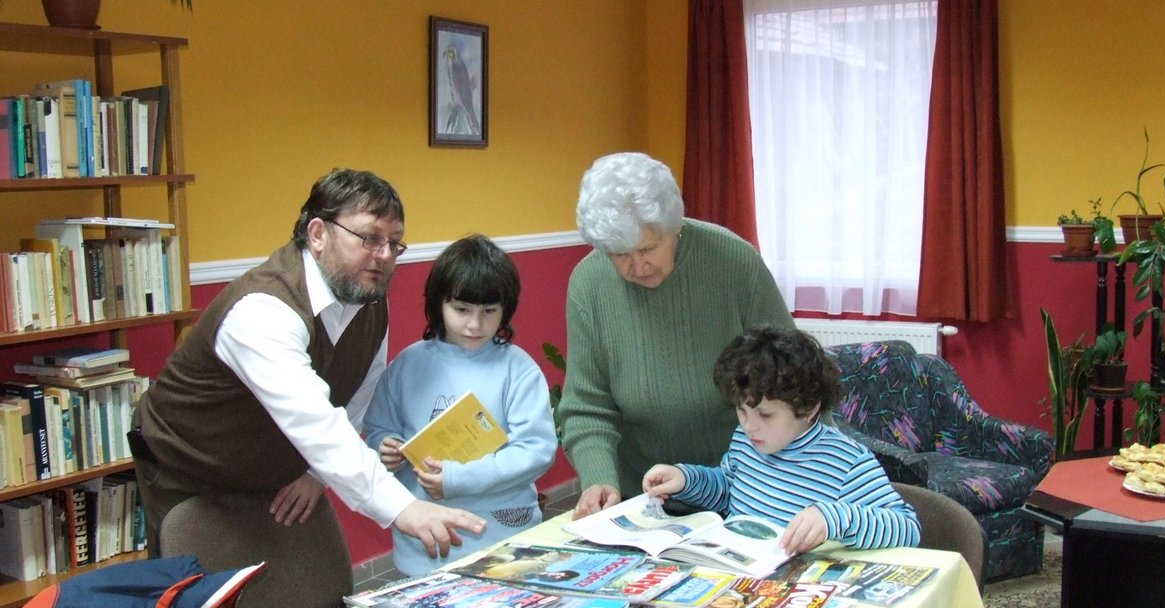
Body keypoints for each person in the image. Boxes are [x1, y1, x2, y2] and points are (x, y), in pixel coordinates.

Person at [131, 168, 485, 561]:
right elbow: (314, 420)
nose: (385, 255)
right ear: (318, 234)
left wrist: (317, 474)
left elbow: (359, 395)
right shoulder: (261, 311)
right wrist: (403, 508)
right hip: (186, 469)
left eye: (394, 242)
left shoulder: (368, 299)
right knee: (197, 593)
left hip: (268, 468)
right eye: (370, 238)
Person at [557, 152, 796, 518]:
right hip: (643, 498)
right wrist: (599, 479)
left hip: (748, 488)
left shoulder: (734, 261)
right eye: (619, 254)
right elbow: (587, 407)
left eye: (648, 248)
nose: (638, 266)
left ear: (675, 226)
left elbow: (794, 375)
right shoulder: (589, 284)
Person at [365, 235, 558, 575]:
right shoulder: (407, 365)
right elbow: (378, 429)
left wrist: (457, 478)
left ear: (506, 309)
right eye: (461, 309)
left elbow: (535, 451)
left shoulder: (518, 369)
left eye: (489, 311)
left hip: (504, 539)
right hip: (425, 548)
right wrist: (385, 447)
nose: (474, 324)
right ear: (438, 304)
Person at [643, 325, 920, 554]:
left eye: (765, 415)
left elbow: (908, 528)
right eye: (741, 410)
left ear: (809, 407)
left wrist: (834, 519)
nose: (749, 425)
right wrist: (686, 479)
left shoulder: (847, 462)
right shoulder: (745, 441)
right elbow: (728, 491)